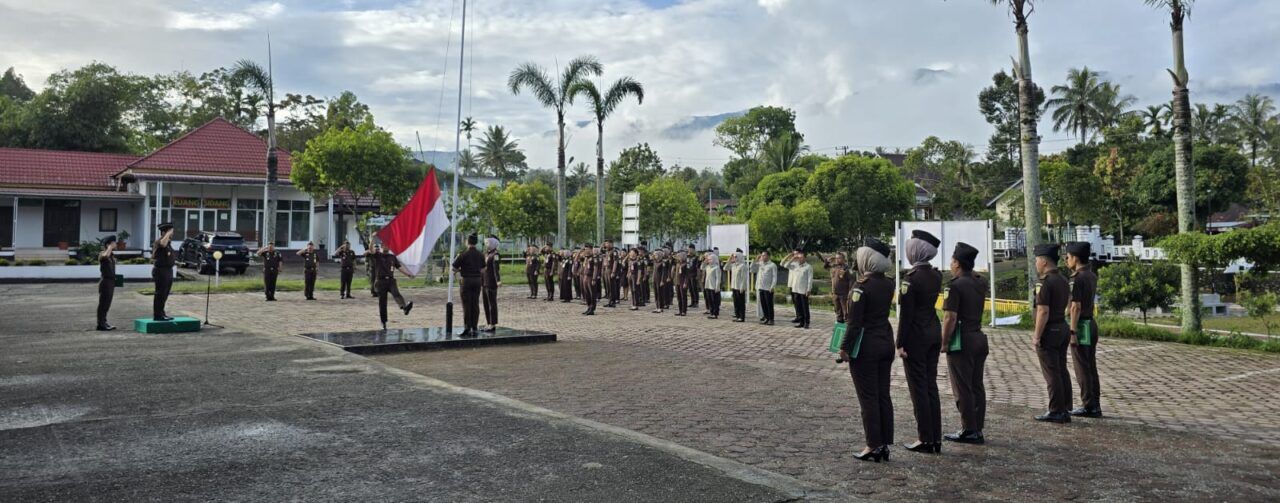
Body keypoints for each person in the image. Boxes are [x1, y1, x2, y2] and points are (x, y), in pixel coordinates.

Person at [841, 238, 896, 462]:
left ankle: (873, 444)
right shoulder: (888, 283)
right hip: (885, 341)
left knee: (868, 398)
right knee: (883, 394)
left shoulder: (861, 287)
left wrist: (844, 348)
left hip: (866, 347)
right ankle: (884, 443)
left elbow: (854, 323)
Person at [897, 230, 944, 454]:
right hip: (934, 332)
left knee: (918, 389)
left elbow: (906, 316)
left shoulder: (911, 280)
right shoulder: (936, 275)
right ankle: (936, 437)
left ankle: (925, 438)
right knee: (930, 386)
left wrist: (899, 343)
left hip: (915, 337)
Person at [943, 242, 989, 445]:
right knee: (977, 384)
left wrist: (944, 342)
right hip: (979, 336)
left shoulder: (954, 286)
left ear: (958, 264)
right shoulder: (981, 282)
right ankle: (977, 427)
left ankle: (968, 428)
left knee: (962, 387)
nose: (951, 264)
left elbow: (949, 318)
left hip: (962, 339)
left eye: (953, 261)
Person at [1033, 243, 1073, 423]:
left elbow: (1042, 311)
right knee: (1061, 368)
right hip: (1062, 327)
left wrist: (1037, 335)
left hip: (1049, 330)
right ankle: (1065, 407)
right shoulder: (1064, 279)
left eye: (1036, 260)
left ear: (1043, 261)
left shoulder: (1044, 283)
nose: (1036, 264)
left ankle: (1056, 409)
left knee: (1051, 372)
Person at [1067, 241, 1103, 418]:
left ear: (1075, 258)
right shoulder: (1091, 274)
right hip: (1091, 323)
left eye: (1068, 257)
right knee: (1090, 366)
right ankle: (1094, 403)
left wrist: (1072, 331)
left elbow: (1075, 307)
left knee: (1082, 367)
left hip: (1081, 325)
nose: (1067, 260)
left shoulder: (1077, 278)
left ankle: (1088, 405)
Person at [370, 242, 414, 330]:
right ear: (382, 246)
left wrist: (408, 274)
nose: (387, 246)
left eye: (388, 245)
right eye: (385, 245)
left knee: (396, 293)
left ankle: (404, 308)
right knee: (382, 303)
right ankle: (383, 322)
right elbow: (371, 250)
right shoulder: (377, 255)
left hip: (390, 280)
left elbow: (399, 267)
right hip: (380, 281)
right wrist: (372, 239)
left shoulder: (392, 257)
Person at [452, 234, 485, 335]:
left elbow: (453, 268)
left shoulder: (463, 254)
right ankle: (474, 327)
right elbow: (483, 269)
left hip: (466, 281)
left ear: (467, 242)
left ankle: (467, 327)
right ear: (476, 243)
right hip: (477, 280)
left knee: (466, 304)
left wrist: (462, 269)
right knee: (475, 304)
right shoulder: (480, 254)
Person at [782, 249, 813, 329]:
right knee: (798, 306)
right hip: (795, 289)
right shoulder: (795, 265)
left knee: (805, 307)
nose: (799, 259)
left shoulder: (808, 267)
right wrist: (793, 258)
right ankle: (801, 322)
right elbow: (785, 265)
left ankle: (807, 322)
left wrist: (809, 289)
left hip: (803, 290)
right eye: (798, 257)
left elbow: (810, 279)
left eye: (801, 257)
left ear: (805, 258)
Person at [151, 223, 176, 321]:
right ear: (164, 232)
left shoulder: (168, 243)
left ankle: (162, 312)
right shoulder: (159, 242)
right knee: (160, 293)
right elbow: (163, 244)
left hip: (168, 271)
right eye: (170, 232)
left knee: (165, 293)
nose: (172, 234)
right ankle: (157, 315)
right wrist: (167, 233)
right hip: (161, 271)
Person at [820, 252, 852, 324]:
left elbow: (851, 280)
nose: (837, 260)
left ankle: (847, 328)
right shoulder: (833, 266)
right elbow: (825, 267)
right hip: (835, 293)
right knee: (837, 310)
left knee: (845, 312)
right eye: (836, 258)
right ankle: (839, 325)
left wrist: (850, 291)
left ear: (844, 259)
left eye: (839, 258)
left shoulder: (846, 268)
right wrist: (828, 260)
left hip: (844, 293)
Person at [96, 235, 118, 331]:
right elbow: (105, 256)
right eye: (114, 243)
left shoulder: (112, 256)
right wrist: (109, 247)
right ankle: (101, 324)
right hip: (105, 282)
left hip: (111, 281)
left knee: (107, 304)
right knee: (103, 304)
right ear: (109, 244)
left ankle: (104, 322)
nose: (115, 244)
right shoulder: (102, 254)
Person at [481, 235, 501, 332]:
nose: (486, 245)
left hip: (491, 282)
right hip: (484, 282)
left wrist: (498, 280)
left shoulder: (495, 255)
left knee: (491, 304)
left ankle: (493, 324)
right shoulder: (486, 254)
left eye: (488, 243)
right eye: (486, 243)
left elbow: (496, 269)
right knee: (485, 303)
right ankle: (488, 322)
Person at [756, 251, 777, 325]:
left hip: (768, 288)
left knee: (769, 304)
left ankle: (771, 319)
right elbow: (752, 268)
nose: (762, 257)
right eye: (762, 255)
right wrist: (756, 259)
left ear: (768, 256)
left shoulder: (772, 265)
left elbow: (774, 277)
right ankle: (766, 317)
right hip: (761, 287)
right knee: (763, 304)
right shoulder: (761, 264)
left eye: (764, 255)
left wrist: (772, 286)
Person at [728, 249, 749, 322]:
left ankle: (741, 317)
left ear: (739, 257)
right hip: (734, 286)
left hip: (740, 287)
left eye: (735, 257)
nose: (734, 258)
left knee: (741, 303)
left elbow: (744, 278)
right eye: (733, 257)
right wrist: (729, 259)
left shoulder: (742, 266)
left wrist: (742, 287)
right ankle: (737, 316)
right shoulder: (733, 265)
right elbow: (725, 268)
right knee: (735, 302)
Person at [702, 251, 722, 319]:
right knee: (709, 300)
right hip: (708, 286)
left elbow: (718, 278)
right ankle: (711, 312)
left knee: (714, 301)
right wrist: (705, 261)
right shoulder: (708, 267)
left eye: (710, 259)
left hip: (713, 287)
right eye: (708, 259)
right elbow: (701, 267)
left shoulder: (716, 267)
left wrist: (717, 287)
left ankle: (715, 313)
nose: (709, 260)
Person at [582, 243, 601, 315]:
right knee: (587, 293)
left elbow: (595, 269)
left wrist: (594, 279)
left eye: (587, 249)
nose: (586, 251)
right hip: (585, 277)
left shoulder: (594, 258)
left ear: (591, 249)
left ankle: (592, 308)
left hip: (590, 277)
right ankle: (588, 306)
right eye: (585, 249)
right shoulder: (586, 258)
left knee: (592, 293)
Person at [686, 244, 700, 309]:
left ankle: (696, 302)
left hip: (694, 275)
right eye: (688, 249)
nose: (689, 250)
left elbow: (698, 267)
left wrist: (698, 275)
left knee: (694, 289)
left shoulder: (696, 257)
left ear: (693, 249)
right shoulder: (687, 256)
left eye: (690, 249)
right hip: (688, 274)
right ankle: (692, 302)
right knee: (690, 289)